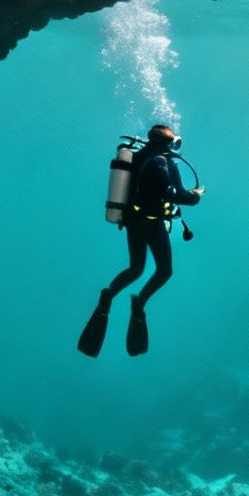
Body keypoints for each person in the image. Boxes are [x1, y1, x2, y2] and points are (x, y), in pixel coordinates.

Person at [79, 124, 204, 357]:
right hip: (153, 224)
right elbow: (176, 195)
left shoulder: (135, 157)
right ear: (166, 143)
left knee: (135, 268)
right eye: (174, 143)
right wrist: (195, 197)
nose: (175, 147)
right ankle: (140, 302)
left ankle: (108, 296)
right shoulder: (164, 161)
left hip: (132, 221)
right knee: (164, 271)